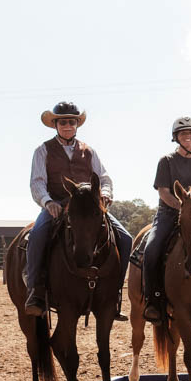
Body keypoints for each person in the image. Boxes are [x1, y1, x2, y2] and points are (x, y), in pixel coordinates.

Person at [24, 101, 133, 318]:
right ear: (55, 124)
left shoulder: (89, 151)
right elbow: (37, 182)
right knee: (36, 235)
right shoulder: (43, 150)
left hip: (89, 206)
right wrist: (48, 202)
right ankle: (35, 290)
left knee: (126, 237)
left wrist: (106, 193)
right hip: (57, 205)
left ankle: (115, 293)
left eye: (71, 122)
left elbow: (104, 177)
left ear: (77, 124)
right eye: (63, 122)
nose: (67, 126)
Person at [142, 116, 191, 323]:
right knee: (152, 249)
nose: (188, 136)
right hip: (170, 214)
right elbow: (164, 192)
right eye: (183, 133)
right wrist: (183, 208)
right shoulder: (166, 161)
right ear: (176, 137)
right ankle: (154, 300)